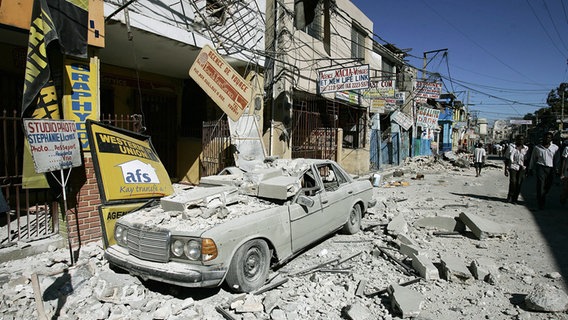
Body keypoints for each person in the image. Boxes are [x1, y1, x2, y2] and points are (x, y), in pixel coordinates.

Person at [528, 132, 560, 209]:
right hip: (540, 167)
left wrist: (557, 169)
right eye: (546, 137)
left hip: (551, 169)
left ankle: (543, 194)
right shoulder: (537, 147)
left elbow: (558, 159)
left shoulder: (555, 148)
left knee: (549, 184)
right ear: (543, 138)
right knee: (540, 184)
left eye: (549, 137)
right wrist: (530, 168)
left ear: (551, 139)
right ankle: (541, 203)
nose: (547, 139)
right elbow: (533, 158)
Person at [504, 135, 529, 204]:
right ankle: (510, 196)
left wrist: (527, 169)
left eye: (522, 139)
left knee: (519, 183)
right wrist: (505, 169)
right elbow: (507, 158)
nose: (521, 141)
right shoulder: (511, 147)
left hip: (522, 167)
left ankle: (515, 198)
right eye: (519, 139)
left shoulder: (526, 148)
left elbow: (527, 159)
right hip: (513, 166)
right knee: (513, 182)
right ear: (516, 140)